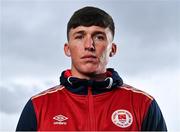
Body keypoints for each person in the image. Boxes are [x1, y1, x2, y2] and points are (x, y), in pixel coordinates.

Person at [16, 6, 167, 131]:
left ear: (112, 49)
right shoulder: (38, 106)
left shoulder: (143, 104)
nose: (89, 45)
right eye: (80, 36)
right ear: (67, 49)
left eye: (99, 37)